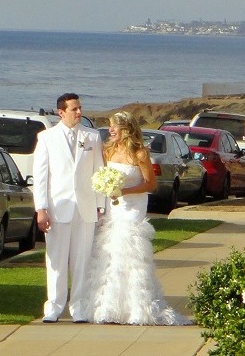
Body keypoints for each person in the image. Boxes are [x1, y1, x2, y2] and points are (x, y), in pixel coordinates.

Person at [83, 110, 191, 325]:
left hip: (133, 208)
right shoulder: (108, 150)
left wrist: (125, 190)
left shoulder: (140, 153)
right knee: (109, 252)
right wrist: (106, 187)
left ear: (126, 129)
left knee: (129, 251)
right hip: (113, 207)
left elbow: (151, 184)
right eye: (110, 126)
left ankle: (137, 307)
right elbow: (102, 175)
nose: (110, 130)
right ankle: (108, 307)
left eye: (114, 126)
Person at [32, 92, 104, 323]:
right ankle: (53, 306)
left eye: (80, 108)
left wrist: (100, 205)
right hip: (58, 207)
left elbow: (99, 172)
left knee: (82, 261)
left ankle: (79, 307)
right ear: (61, 112)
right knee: (56, 260)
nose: (79, 112)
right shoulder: (47, 138)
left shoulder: (92, 136)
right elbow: (41, 177)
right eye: (74, 109)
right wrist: (41, 209)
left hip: (86, 208)